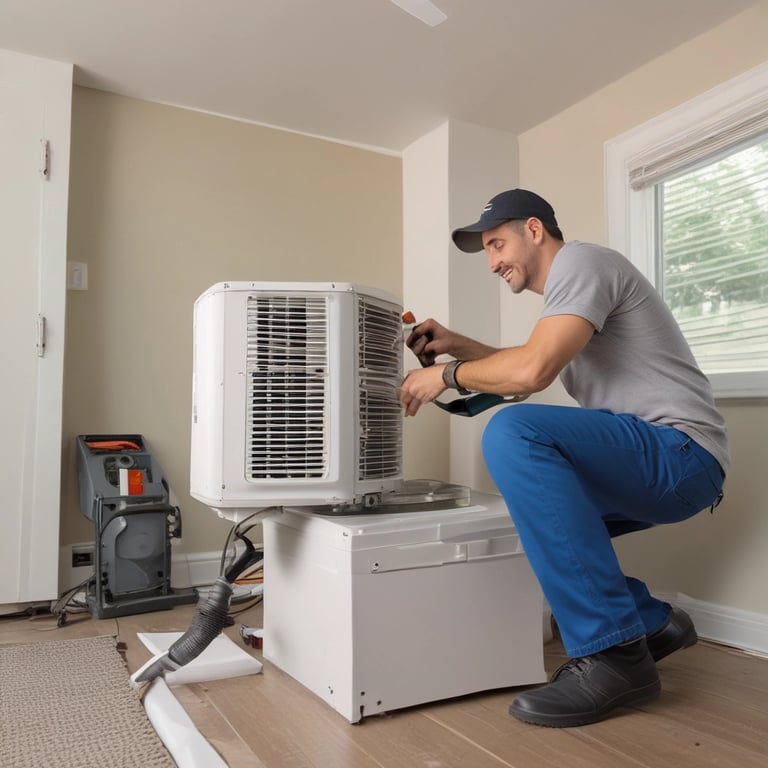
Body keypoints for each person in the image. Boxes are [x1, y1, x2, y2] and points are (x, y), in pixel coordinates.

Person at [399, 188, 729, 728]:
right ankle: (651, 624)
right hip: (667, 463)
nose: (493, 262)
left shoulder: (583, 261)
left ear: (534, 230)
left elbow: (530, 373)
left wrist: (445, 375)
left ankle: (616, 658)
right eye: (485, 251)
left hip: (681, 452)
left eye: (497, 244)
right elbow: (527, 365)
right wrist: (459, 346)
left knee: (513, 434)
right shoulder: (571, 298)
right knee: (529, 511)